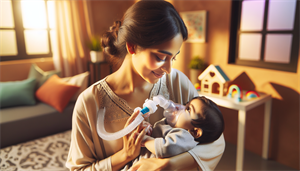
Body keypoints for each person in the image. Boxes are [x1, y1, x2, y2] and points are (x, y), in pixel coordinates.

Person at [66, 0, 225, 170]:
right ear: (132, 46)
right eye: (161, 57)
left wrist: (168, 164)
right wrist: (125, 155)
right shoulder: (90, 102)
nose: (169, 69)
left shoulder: (176, 82)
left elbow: (215, 139)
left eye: (174, 57)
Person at [142, 96, 225, 159]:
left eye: (188, 109)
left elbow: (164, 148)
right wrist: (148, 130)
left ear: (195, 132)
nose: (179, 107)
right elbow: (157, 135)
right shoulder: (171, 125)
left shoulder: (186, 137)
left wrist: (144, 139)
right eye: (186, 104)